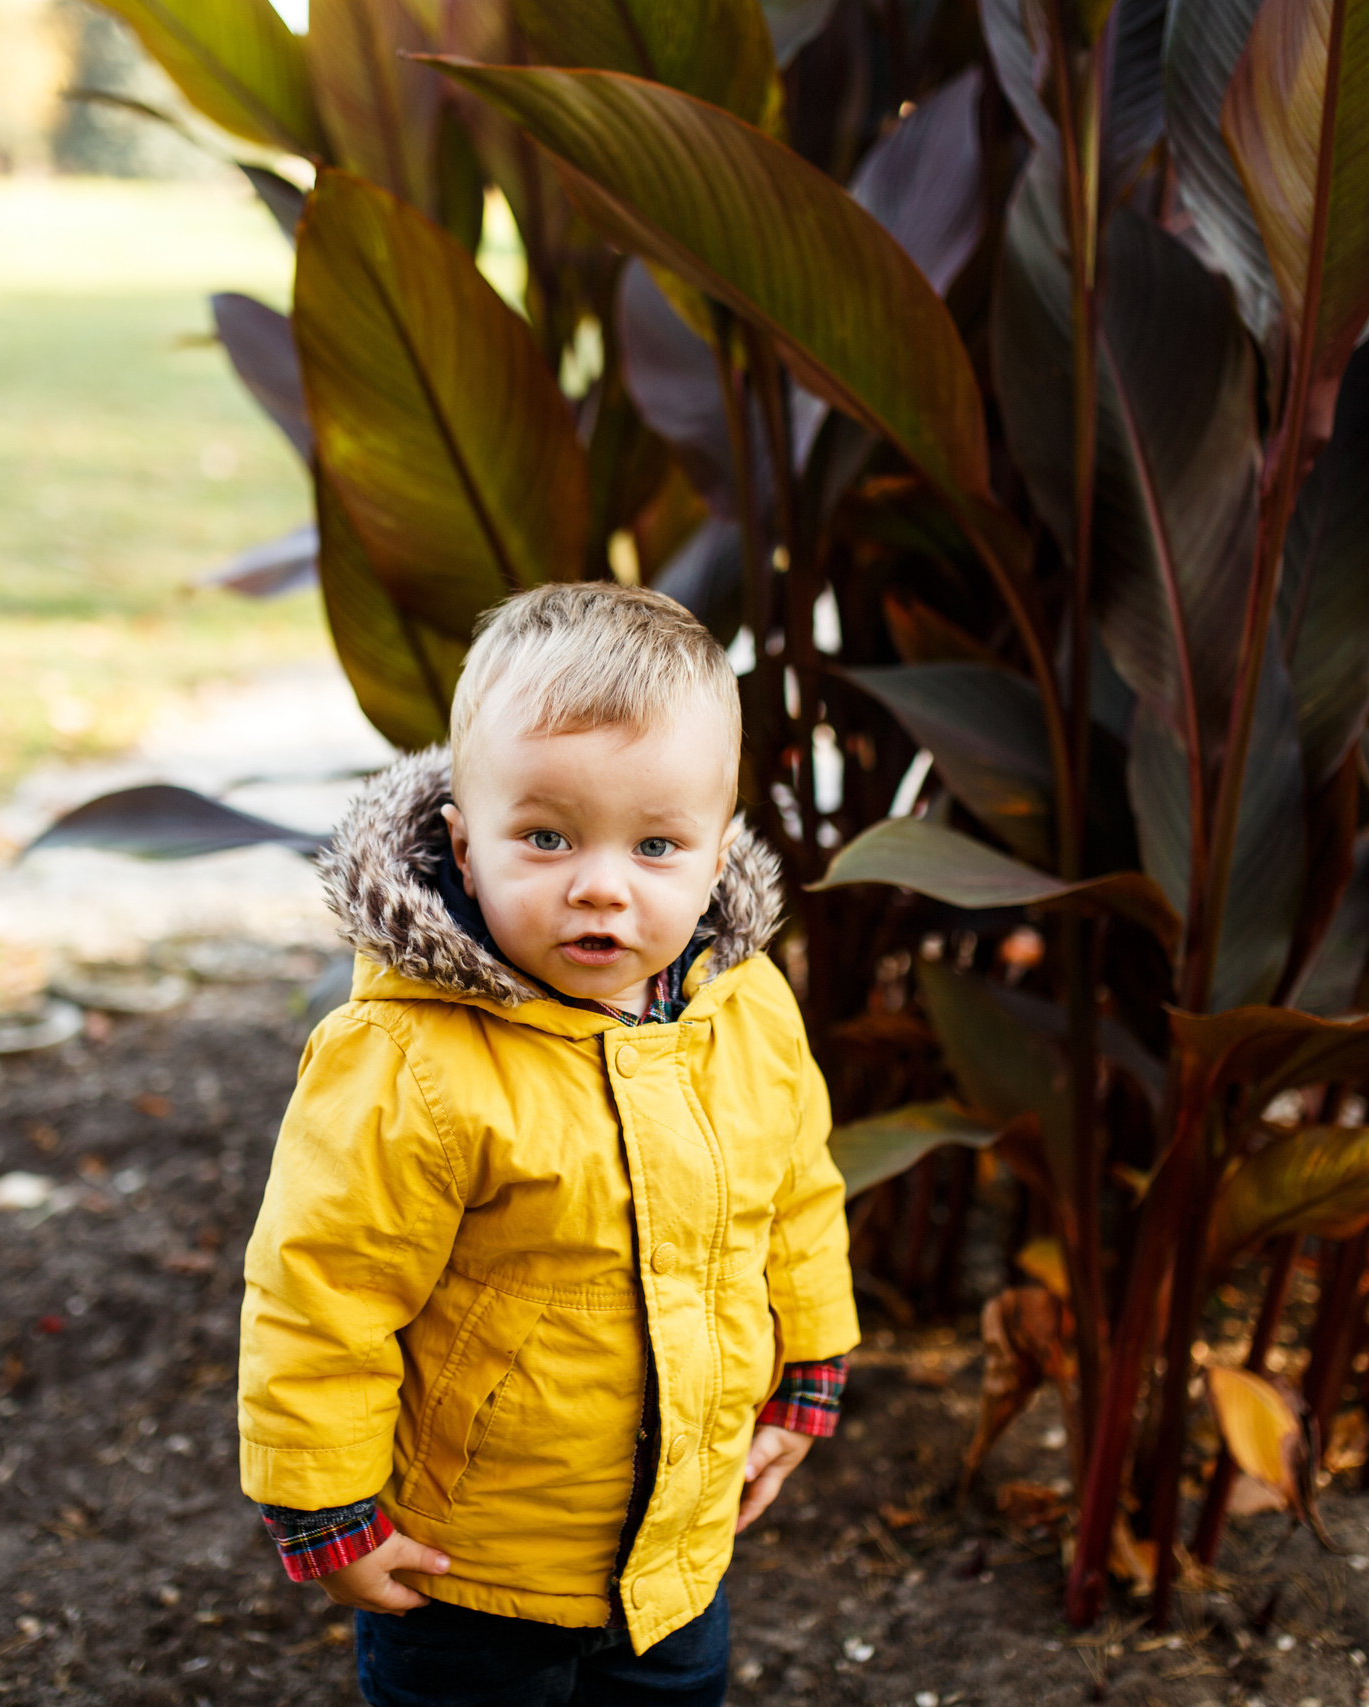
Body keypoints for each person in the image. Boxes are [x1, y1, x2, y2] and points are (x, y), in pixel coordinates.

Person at [236, 583, 860, 1706]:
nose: (601, 885)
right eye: (546, 836)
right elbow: (321, 1289)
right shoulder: (407, 1059)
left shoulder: (745, 1007)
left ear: (719, 853)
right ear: (463, 849)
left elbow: (798, 1194)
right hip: (468, 1571)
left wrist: (808, 1367)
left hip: (678, 1547)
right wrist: (325, 1510)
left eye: (657, 844)